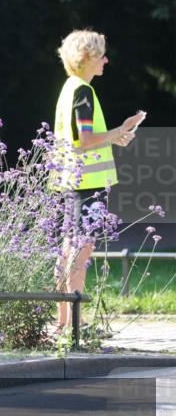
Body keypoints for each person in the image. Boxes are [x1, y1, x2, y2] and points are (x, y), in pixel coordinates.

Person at [51, 29, 142, 335]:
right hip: (86, 184)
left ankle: (64, 322)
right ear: (87, 57)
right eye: (101, 55)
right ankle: (77, 325)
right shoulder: (83, 91)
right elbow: (86, 140)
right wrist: (118, 132)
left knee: (68, 250)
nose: (106, 60)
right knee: (80, 252)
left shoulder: (69, 88)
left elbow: (82, 139)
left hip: (70, 180)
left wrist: (115, 136)